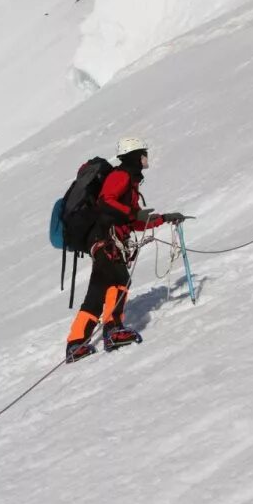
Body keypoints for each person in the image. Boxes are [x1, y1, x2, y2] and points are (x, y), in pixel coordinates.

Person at [65, 138, 186, 363]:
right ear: (134, 156)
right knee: (120, 280)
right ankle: (113, 329)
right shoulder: (121, 176)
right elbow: (106, 202)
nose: (146, 158)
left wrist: (161, 219)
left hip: (105, 241)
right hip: (106, 240)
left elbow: (135, 221)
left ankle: (76, 342)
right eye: (143, 154)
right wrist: (132, 214)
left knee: (98, 291)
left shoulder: (129, 182)